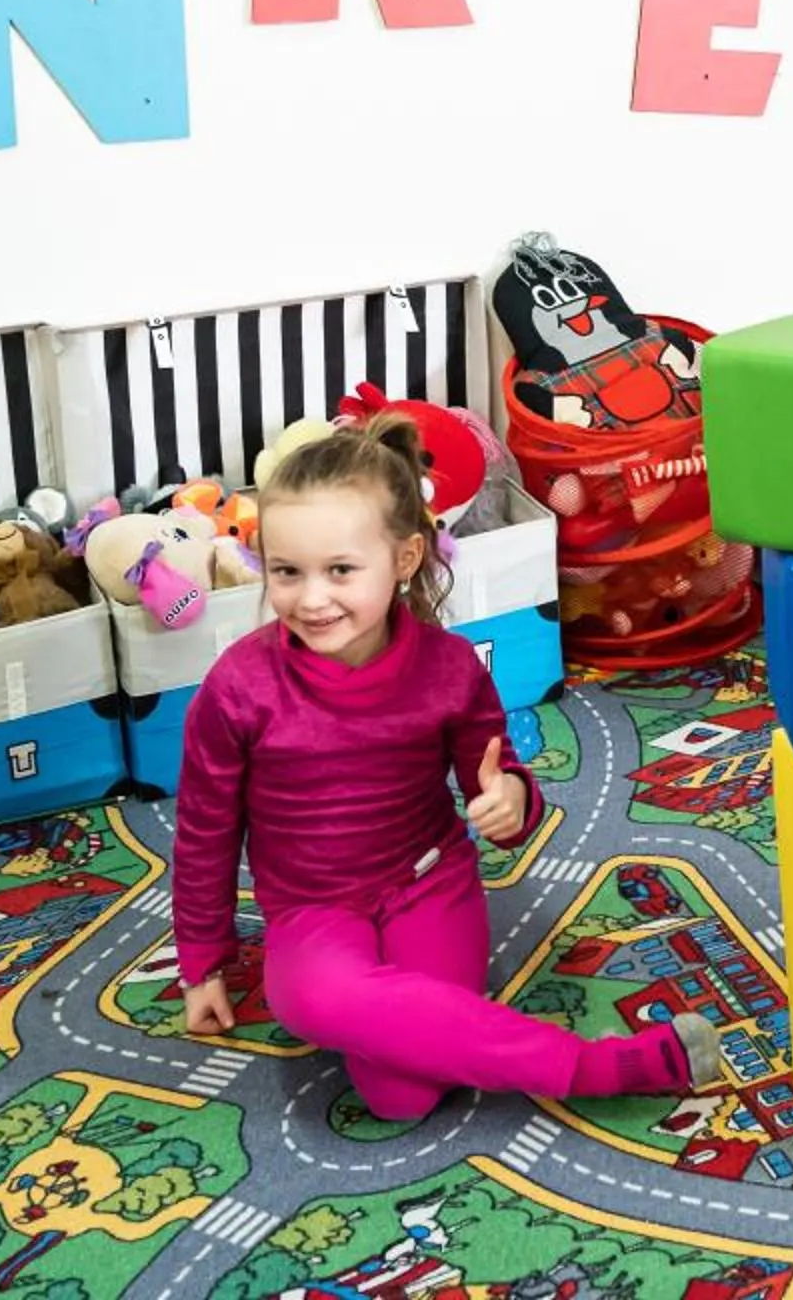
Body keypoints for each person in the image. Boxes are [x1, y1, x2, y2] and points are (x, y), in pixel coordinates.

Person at [173, 417, 714, 1119]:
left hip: (428, 884)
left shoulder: (451, 668)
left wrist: (510, 799)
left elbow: (504, 782)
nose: (311, 598)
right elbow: (205, 832)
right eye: (287, 572)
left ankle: (455, 1030)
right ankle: (594, 1067)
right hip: (312, 909)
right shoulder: (238, 686)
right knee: (338, 1028)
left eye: (341, 570)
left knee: (404, 1091)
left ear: (404, 559)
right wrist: (203, 962)